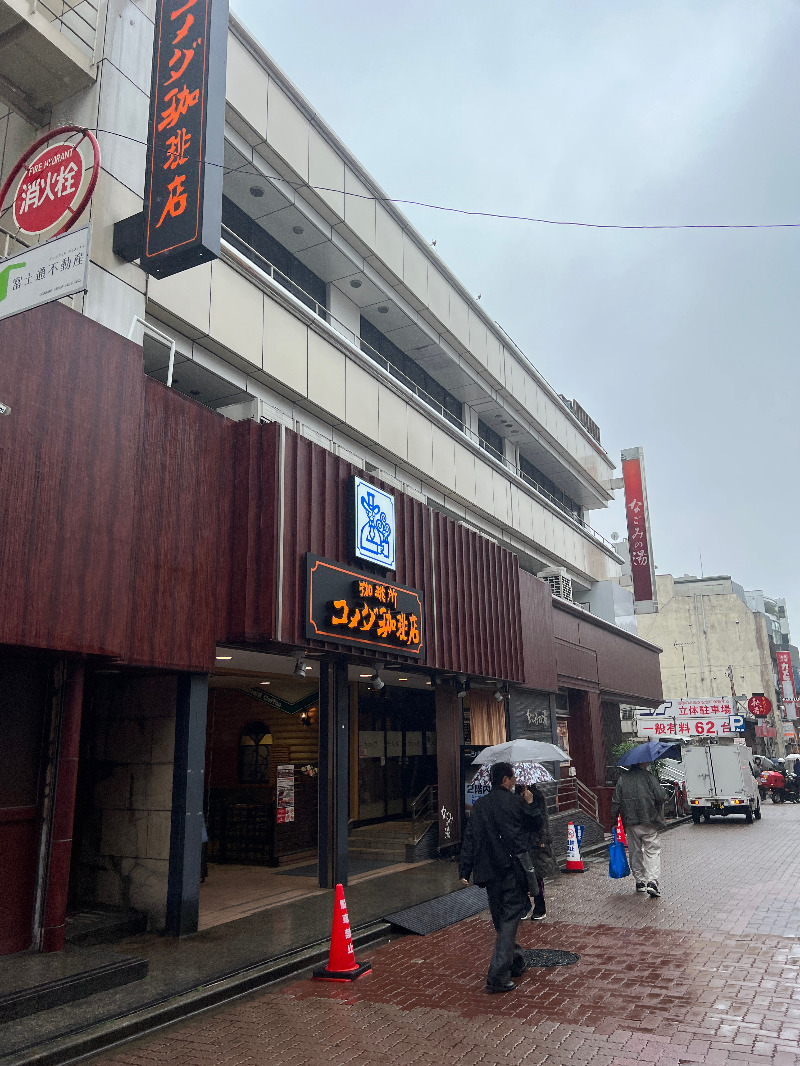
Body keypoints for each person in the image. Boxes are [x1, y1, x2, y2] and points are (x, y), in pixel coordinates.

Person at [459, 761, 536, 993]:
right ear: (505, 779)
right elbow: (533, 826)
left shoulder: (479, 805)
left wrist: (465, 869)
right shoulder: (515, 803)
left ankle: (516, 959)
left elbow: (470, 838)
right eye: (512, 778)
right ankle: (497, 975)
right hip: (511, 869)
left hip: (488, 872)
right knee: (510, 919)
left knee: (500, 918)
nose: (514, 781)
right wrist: (530, 804)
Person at [610, 761, 667, 898]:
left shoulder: (623, 779)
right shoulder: (649, 777)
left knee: (635, 851)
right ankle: (652, 881)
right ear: (642, 762)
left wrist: (613, 820)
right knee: (652, 850)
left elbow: (616, 801)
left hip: (630, 822)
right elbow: (661, 796)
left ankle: (640, 881)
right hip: (649, 819)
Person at [518, 781, 557, 920]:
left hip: (534, 842)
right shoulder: (516, 796)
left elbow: (542, 819)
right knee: (521, 874)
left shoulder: (537, 796)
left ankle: (540, 907)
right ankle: (525, 906)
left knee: (536, 875)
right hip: (521, 841)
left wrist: (543, 839)